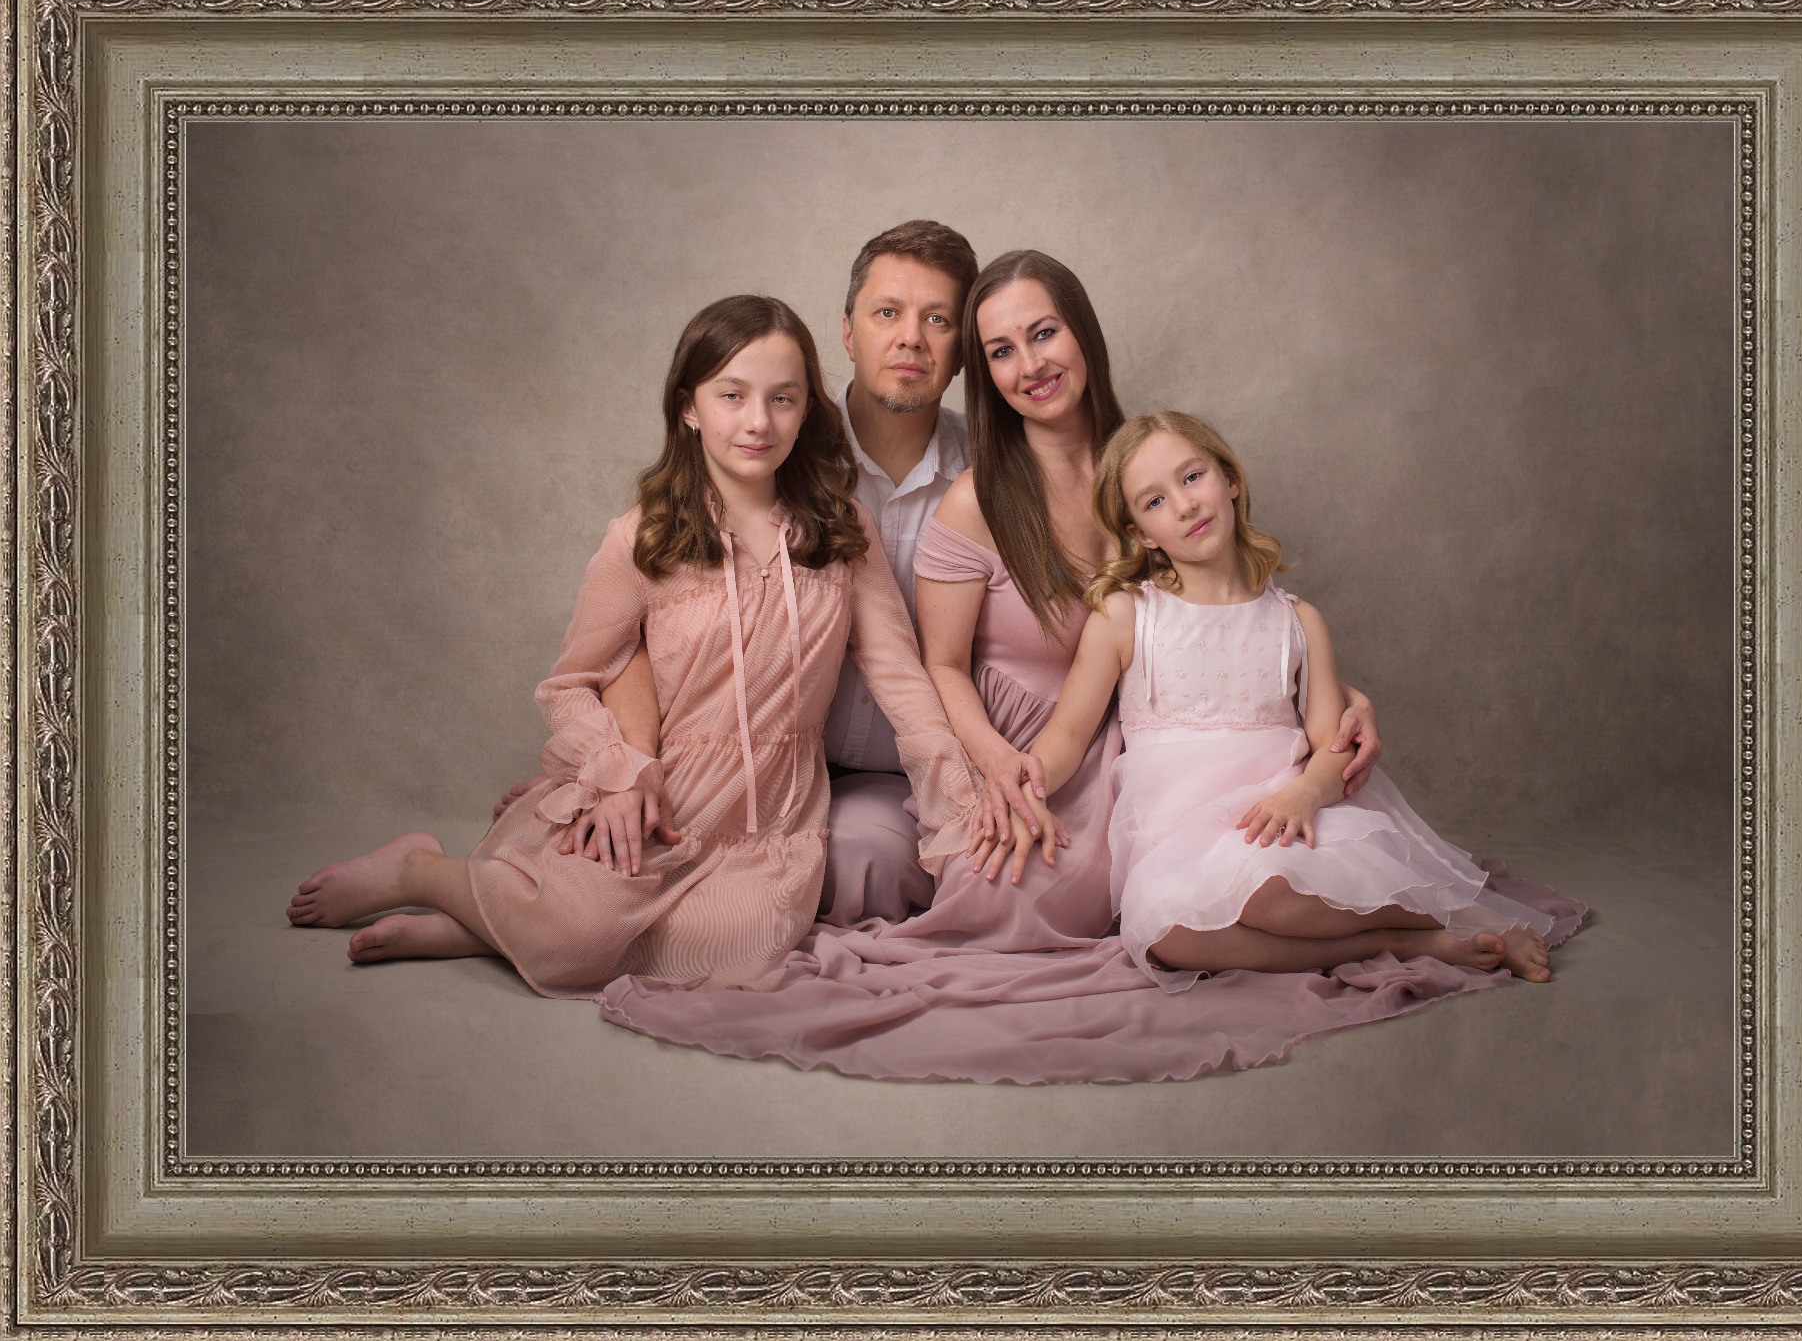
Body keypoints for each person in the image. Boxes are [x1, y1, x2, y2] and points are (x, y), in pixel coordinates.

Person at [595, 257, 1583, 1082]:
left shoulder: (1148, 467)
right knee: (1005, 899)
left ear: (1084, 336)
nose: (1030, 363)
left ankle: (1391, 922)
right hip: (1014, 747)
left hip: (1147, 750)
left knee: (1157, 882)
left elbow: (1234, 607)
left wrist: (1330, 699)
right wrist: (993, 769)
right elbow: (930, 661)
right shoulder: (957, 493)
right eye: (1001, 349)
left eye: (1046, 334)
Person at [285, 295, 980, 995]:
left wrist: (957, 794)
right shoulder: (643, 537)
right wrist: (617, 770)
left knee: (742, 949)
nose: (758, 422)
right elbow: (570, 682)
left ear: (806, 409)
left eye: (783, 399)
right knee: (584, 927)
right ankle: (423, 873)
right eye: (731, 396)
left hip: (772, 814)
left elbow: (899, 677)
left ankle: (477, 927)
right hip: (664, 799)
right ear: (689, 407)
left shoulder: (839, 527)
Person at [1017, 410, 1560, 988]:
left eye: (1192, 477)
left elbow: (1334, 746)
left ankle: (1463, 918)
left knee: (1271, 897)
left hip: (1277, 819)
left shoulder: (1295, 621)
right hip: (1177, 842)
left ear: (1230, 480)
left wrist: (1303, 794)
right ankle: (1401, 941)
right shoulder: (1127, 615)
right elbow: (1069, 734)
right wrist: (1028, 785)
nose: (1183, 505)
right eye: (1153, 502)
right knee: (1166, 934)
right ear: (1140, 534)